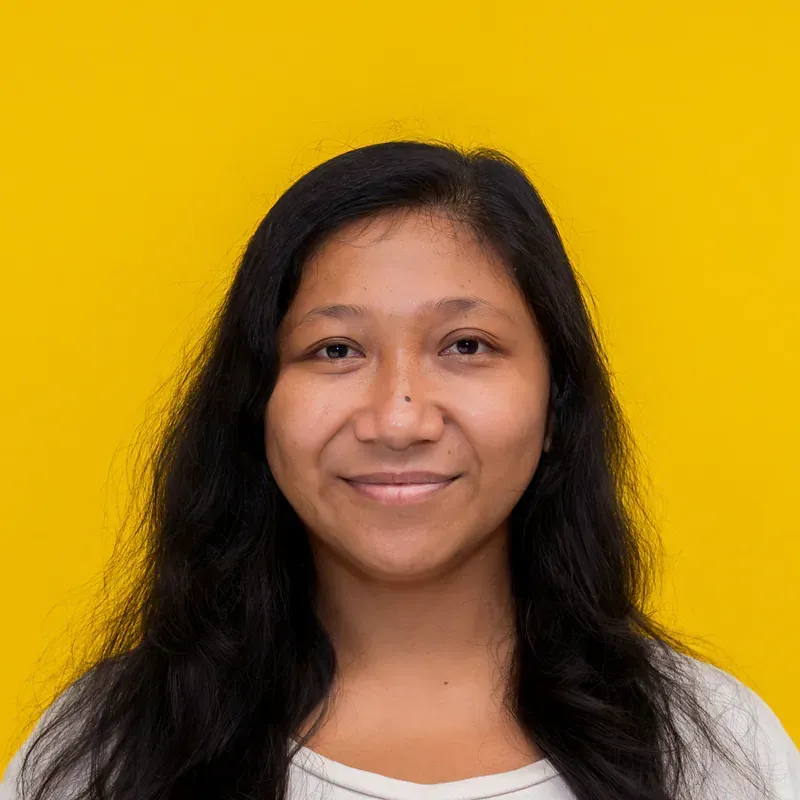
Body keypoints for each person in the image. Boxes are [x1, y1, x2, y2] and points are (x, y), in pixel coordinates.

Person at [1, 140, 797, 800]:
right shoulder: (104, 753)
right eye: (335, 350)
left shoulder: (715, 749)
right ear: (256, 405)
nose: (399, 418)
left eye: (467, 346)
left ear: (557, 404)